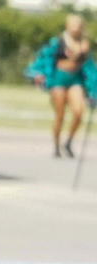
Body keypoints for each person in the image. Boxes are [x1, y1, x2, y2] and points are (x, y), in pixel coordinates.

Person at [27, 13, 97, 159]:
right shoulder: (58, 42)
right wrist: (38, 74)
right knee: (60, 114)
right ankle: (56, 145)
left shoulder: (84, 44)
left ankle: (69, 141)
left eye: (78, 25)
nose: (75, 28)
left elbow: (89, 67)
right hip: (59, 78)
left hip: (75, 79)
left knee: (78, 112)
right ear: (68, 26)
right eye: (73, 25)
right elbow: (43, 57)